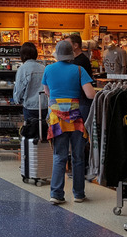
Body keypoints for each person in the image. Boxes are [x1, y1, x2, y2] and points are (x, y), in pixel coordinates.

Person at [42, 40, 96, 205]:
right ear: (71, 54)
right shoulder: (79, 70)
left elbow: (47, 92)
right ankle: (79, 194)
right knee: (78, 157)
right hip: (76, 118)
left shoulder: (48, 69)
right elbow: (90, 94)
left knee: (60, 156)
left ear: (57, 54)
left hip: (57, 118)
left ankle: (56, 194)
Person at [12, 42, 46, 139]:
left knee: (30, 133)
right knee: (42, 133)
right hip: (44, 105)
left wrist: (17, 100)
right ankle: (42, 153)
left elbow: (19, 87)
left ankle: (31, 153)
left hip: (30, 106)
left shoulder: (23, 69)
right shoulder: (43, 68)